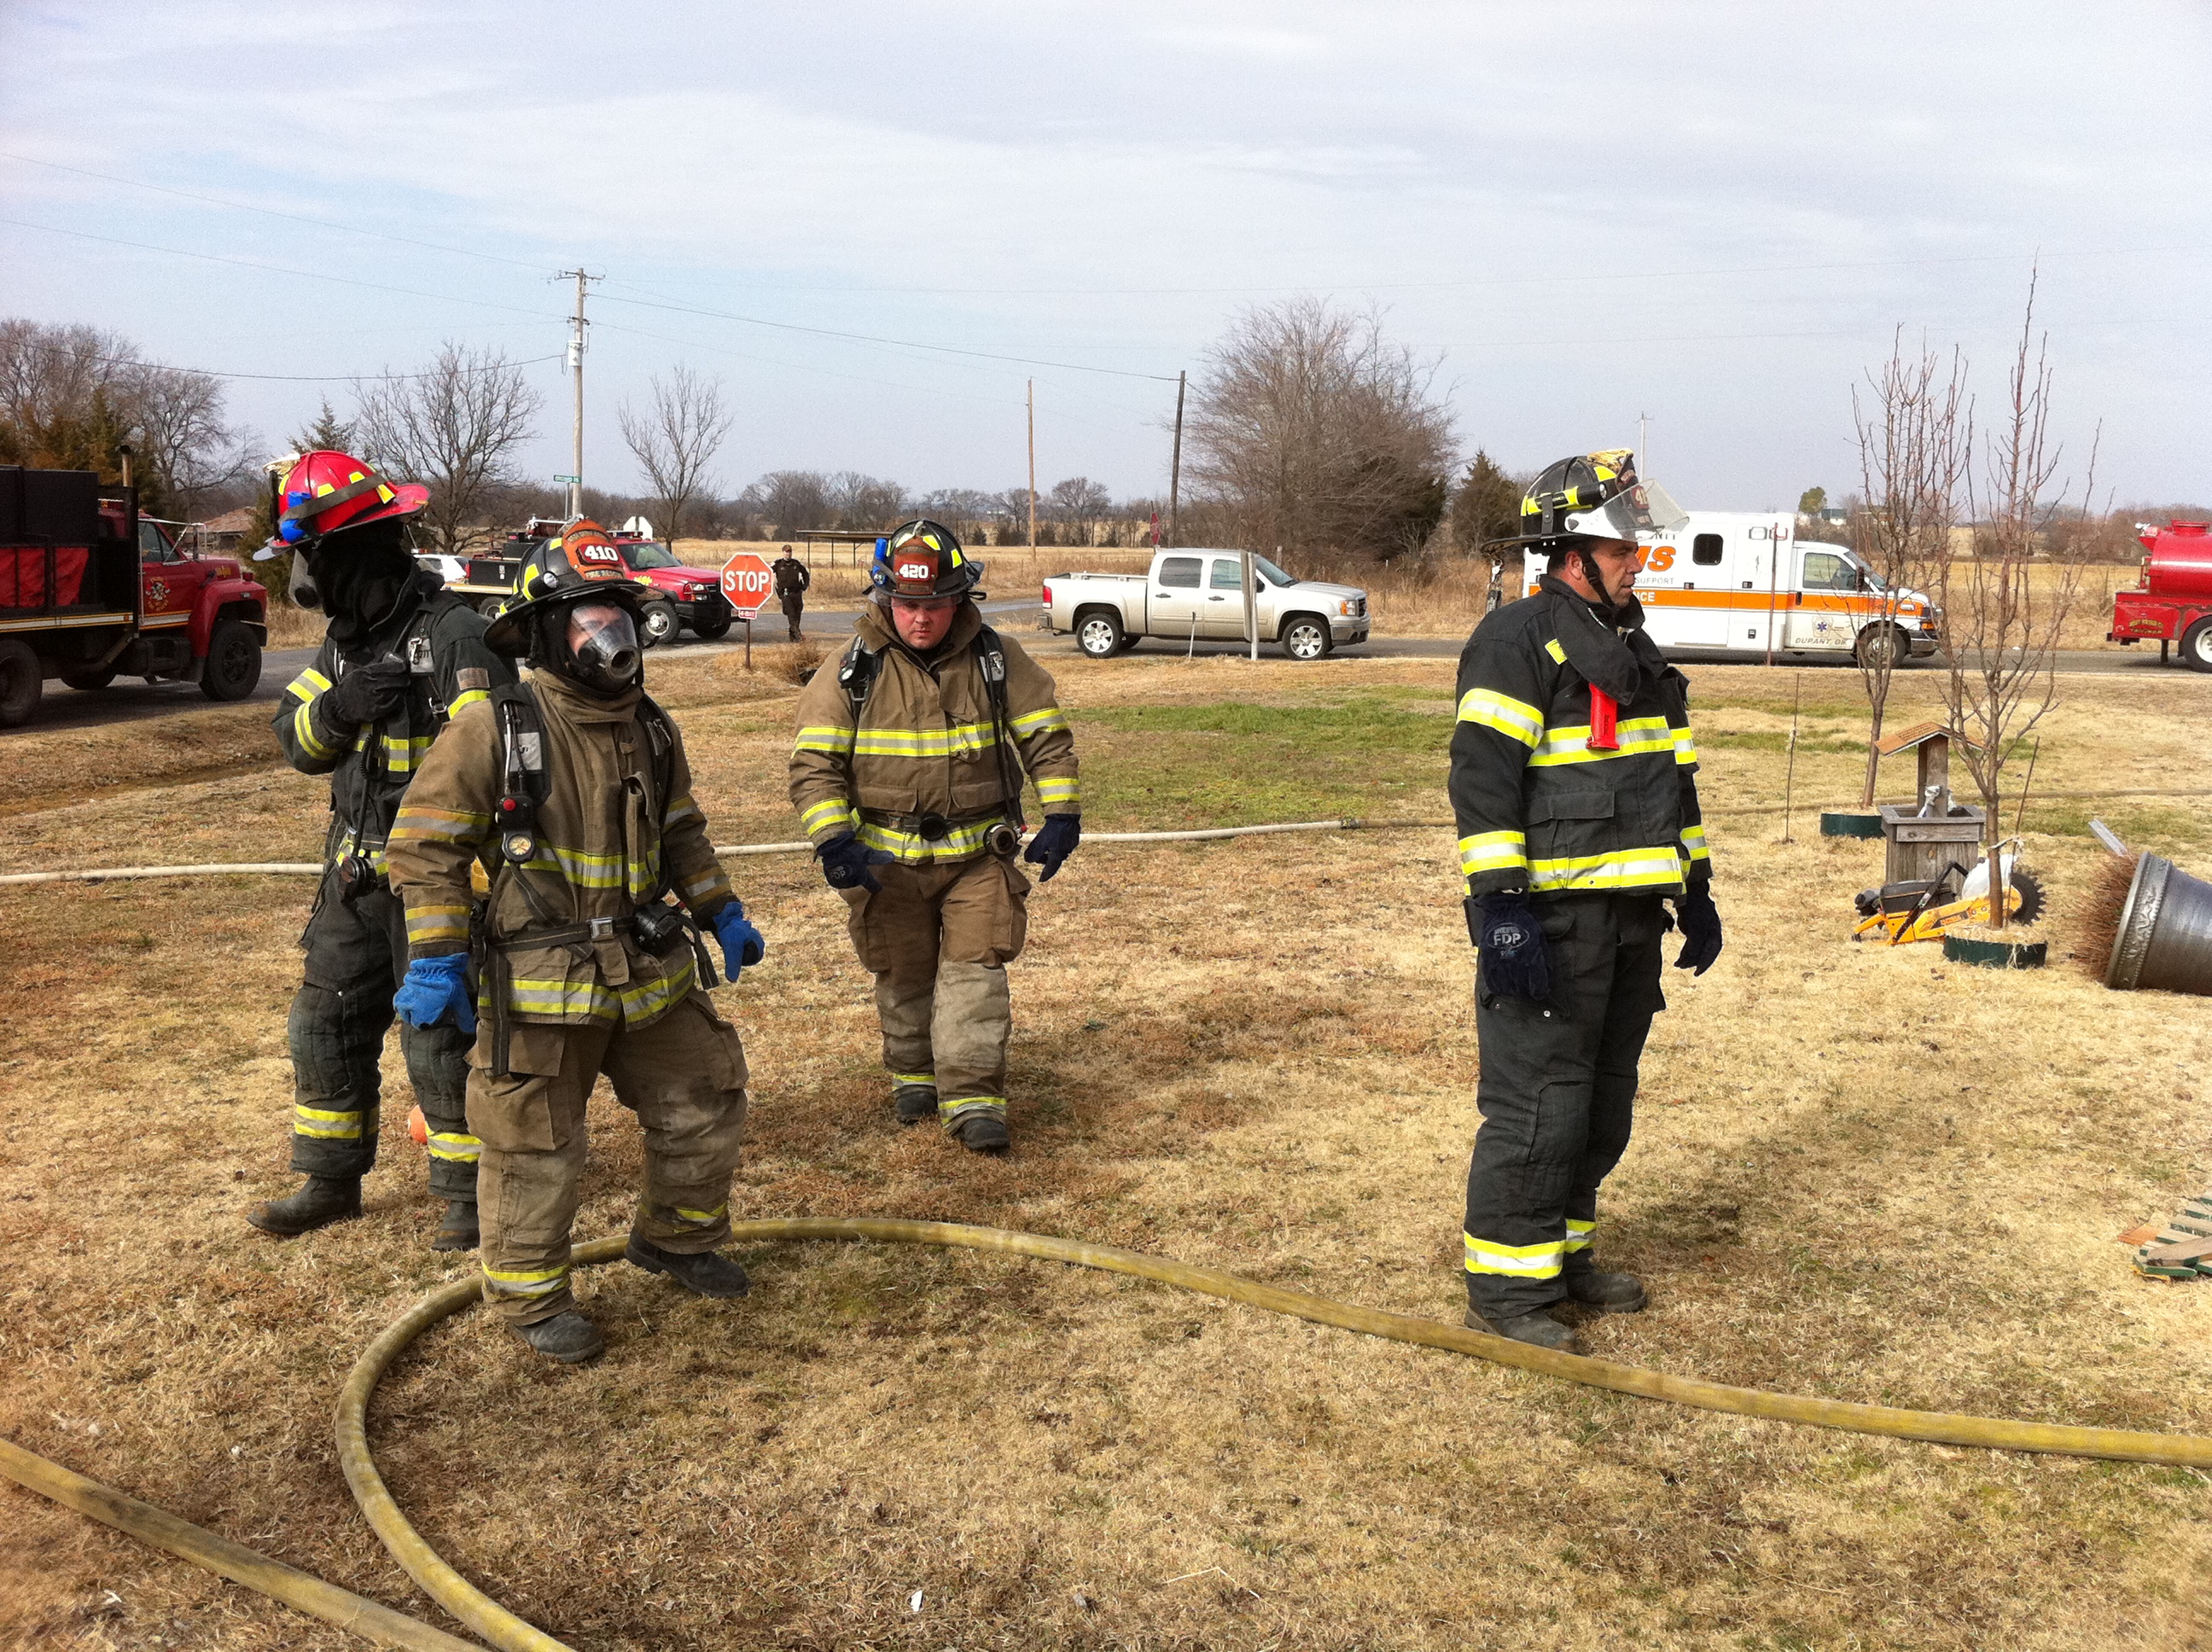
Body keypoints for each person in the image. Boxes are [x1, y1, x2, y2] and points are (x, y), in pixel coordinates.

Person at [382, 521, 767, 1364]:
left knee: (706, 1092)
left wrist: (720, 908)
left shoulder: (651, 727)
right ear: (546, 633)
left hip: (648, 964)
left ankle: (676, 1239)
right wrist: (438, 955)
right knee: (535, 1143)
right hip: (542, 978)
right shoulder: (493, 728)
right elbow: (424, 846)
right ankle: (531, 1299)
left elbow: (680, 830)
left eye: (617, 620)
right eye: (589, 623)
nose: (609, 640)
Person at [1450, 451, 1724, 1352]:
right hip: (1551, 922)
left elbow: (1672, 780)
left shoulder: (1631, 650)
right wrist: (1502, 910)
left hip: (1630, 922)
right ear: (1572, 555)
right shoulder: (1517, 642)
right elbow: (1484, 783)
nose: (1637, 560)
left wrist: (1696, 887)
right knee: (1540, 1107)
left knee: (1602, 1107)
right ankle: (1505, 1288)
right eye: (1621, 547)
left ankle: (1563, 1261)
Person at [245, 449, 515, 1250]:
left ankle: (469, 1194)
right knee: (322, 1022)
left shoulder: (456, 635)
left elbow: (504, 761)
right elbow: (295, 741)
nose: (302, 575)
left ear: (350, 551)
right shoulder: (343, 645)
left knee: (440, 1033)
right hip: (354, 875)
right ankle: (329, 1182)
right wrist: (339, 708)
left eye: (308, 556)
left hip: (439, 878)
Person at [789, 519, 1079, 1153]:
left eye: (936, 605)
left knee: (976, 975)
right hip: (885, 865)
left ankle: (975, 1101)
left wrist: (1062, 814)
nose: (921, 619)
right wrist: (834, 840)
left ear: (959, 599)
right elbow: (814, 765)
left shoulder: (998, 659)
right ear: (885, 597)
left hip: (979, 858)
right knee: (904, 974)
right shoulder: (851, 669)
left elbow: (1046, 739)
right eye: (907, 604)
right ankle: (915, 1077)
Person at [771, 545, 811, 641]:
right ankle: (798, 635)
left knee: (797, 613)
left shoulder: (796, 564)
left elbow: (805, 574)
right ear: (783, 553)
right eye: (786, 552)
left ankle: (793, 636)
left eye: (789, 552)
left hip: (797, 593)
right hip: (785, 594)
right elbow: (766, 571)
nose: (788, 554)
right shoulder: (778, 564)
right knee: (791, 613)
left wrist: (804, 586)